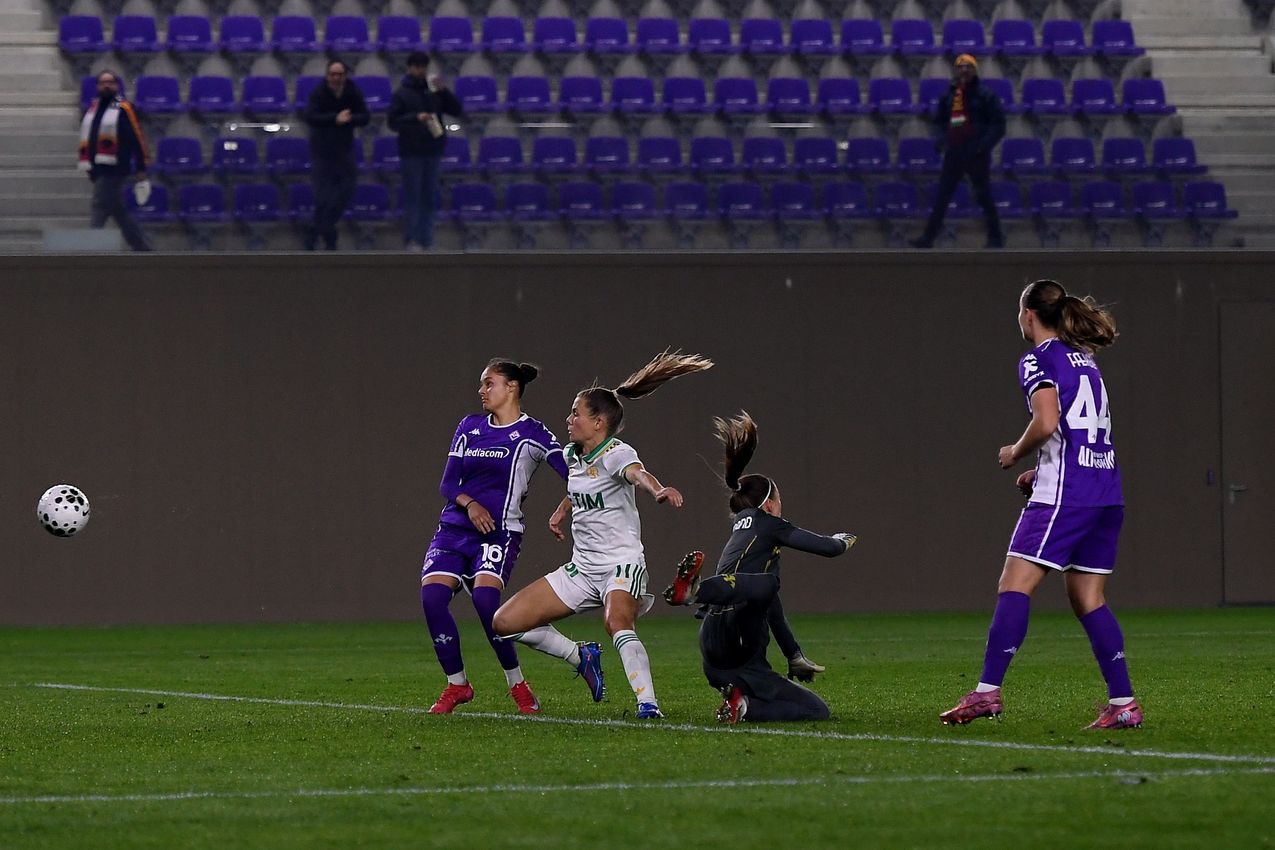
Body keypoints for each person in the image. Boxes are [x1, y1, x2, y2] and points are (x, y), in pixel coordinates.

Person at [940, 279, 1141, 730]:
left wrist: (1015, 454)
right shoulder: (1085, 361)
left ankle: (987, 694)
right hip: (1105, 492)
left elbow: (1047, 420)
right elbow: (1080, 430)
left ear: (1028, 314)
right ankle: (1124, 702)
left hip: (1066, 497)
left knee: (1015, 584)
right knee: (1087, 596)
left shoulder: (1038, 359)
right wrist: (1044, 467)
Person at [492, 351, 714, 719]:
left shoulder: (616, 452)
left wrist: (656, 489)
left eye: (576, 413)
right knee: (504, 623)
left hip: (621, 564)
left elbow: (635, 473)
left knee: (616, 623)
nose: (569, 419)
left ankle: (648, 705)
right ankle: (581, 656)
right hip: (582, 569)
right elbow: (581, 486)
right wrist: (562, 510)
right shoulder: (574, 455)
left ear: (598, 423)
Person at [663, 412, 856, 724]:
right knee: (817, 710)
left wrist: (793, 655)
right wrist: (843, 539)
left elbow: (772, 609)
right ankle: (697, 590)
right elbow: (828, 549)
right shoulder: (770, 524)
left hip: (713, 651)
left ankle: (740, 705)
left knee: (766, 588)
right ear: (768, 505)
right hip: (740, 642)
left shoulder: (738, 537)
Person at [422, 360, 569, 715]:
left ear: (512, 387)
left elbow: (574, 474)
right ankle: (457, 685)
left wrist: (564, 508)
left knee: (488, 605)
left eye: (490, 384)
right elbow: (447, 484)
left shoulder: (533, 432)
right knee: (432, 598)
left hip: (498, 534)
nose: (482, 391)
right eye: (481, 385)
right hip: (455, 529)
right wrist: (470, 504)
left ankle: (517, 684)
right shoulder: (469, 427)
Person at [909, 54, 1006, 250]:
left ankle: (996, 238)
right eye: (961, 66)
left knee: (983, 195)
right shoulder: (949, 95)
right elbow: (938, 122)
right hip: (955, 152)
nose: (964, 70)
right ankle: (928, 238)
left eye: (968, 66)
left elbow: (998, 124)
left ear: (974, 70)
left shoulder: (986, 95)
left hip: (976, 152)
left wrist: (983, 146)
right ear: (956, 70)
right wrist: (941, 142)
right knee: (942, 196)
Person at [387, 52, 463, 252]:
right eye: (417, 66)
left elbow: (456, 110)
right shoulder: (401, 93)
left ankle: (427, 239)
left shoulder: (435, 92)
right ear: (409, 68)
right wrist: (415, 117)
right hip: (411, 151)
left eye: (424, 66)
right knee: (414, 197)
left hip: (433, 149)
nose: (421, 70)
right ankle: (412, 239)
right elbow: (393, 122)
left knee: (429, 196)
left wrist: (444, 91)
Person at [77, 69, 152, 251]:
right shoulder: (91, 109)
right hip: (98, 168)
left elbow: (138, 138)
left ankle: (91, 248)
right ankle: (141, 246)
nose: (106, 85)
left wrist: (141, 166)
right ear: (97, 86)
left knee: (99, 205)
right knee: (118, 211)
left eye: (110, 82)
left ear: (117, 85)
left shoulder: (125, 109)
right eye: (103, 82)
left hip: (116, 167)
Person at [303, 59, 369, 250]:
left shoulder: (351, 91)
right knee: (324, 195)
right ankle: (326, 233)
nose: (336, 78)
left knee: (347, 190)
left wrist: (348, 120)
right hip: (322, 150)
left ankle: (320, 229)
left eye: (340, 75)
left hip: (344, 149)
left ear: (345, 76)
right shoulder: (319, 92)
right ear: (327, 75)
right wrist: (334, 119)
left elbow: (364, 116)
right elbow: (311, 116)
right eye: (333, 74)